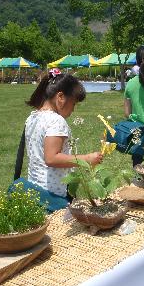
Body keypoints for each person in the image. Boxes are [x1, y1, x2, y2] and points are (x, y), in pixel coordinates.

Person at [25, 69, 103, 199]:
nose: (73, 109)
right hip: (53, 192)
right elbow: (51, 158)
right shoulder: (56, 121)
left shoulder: (33, 117)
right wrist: (87, 159)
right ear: (60, 97)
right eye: (73, 103)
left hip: (35, 187)